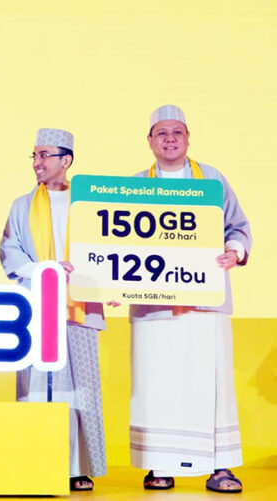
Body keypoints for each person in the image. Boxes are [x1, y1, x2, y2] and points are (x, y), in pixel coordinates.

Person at [129, 105, 251, 493]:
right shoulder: (133, 186)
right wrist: (109, 283)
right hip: (154, 304)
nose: (169, 139)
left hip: (204, 301)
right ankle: (159, 464)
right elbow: (115, 240)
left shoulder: (211, 180)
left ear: (187, 138)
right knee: (156, 383)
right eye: (161, 133)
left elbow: (237, 227)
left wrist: (234, 251)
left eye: (177, 132)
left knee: (212, 383)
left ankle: (220, 467)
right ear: (150, 140)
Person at [0, 128, 108, 491]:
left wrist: (110, 285)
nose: (37, 162)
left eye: (44, 155)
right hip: (37, 308)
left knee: (81, 389)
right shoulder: (22, 205)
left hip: (81, 306)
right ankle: (36, 462)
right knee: (36, 386)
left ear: (66, 160)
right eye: (34, 155)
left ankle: (78, 468)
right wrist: (46, 270)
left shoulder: (90, 203)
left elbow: (109, 249)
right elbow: (10, 253)